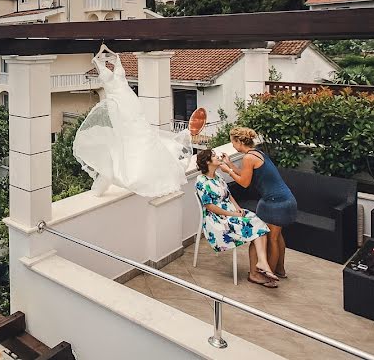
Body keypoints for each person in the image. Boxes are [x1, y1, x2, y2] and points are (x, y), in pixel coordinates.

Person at [73, 48, 193, 199]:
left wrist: (114, 59)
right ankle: (136, 169)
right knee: (127, 136)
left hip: (130, 100)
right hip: (117, 104)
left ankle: (151, 169)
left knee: (141, 132)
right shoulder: (97, 61)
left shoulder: (116, 57)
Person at [220, 127, 297, 279]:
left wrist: (228, 172)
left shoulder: (248, 158)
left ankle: (270, 276)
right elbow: (245, 173)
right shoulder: (256, 153)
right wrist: (229, 164)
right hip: (286, 199)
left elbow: (244, 182)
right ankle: (280, 270)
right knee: (278, 235)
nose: (233, 146)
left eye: (233, 142)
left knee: (272, 239)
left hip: (275, 203)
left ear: (239, 141)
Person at [195, 148, 278, 287]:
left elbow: (229, 195)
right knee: (256, 228)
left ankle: (261, 263)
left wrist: (238, 208)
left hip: (231, 212)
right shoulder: (201, 181)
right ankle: (257, 271)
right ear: (208, 162)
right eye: (214, 156)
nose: (218, 156)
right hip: (217, 219)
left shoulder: (218, 177)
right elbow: (210, 207)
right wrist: (233, 214)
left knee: (259, 222)